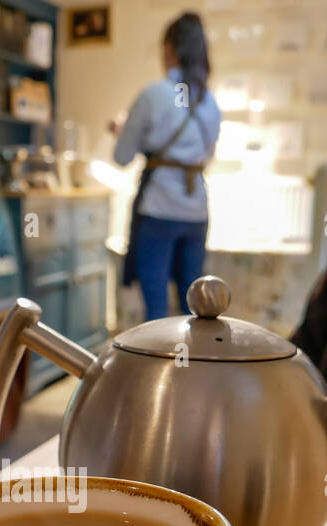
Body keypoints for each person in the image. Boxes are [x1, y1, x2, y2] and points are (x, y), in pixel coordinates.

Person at [110, 12, 221, 321]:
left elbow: (121, 157)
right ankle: (193, 367)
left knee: (157, 312)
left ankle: (160, 369)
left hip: (158, 210)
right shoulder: (210, 102)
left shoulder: (153, 95)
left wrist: (125, 133)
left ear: (170, 49)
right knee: (195, 311)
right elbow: (207, 154)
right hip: (196, 210)